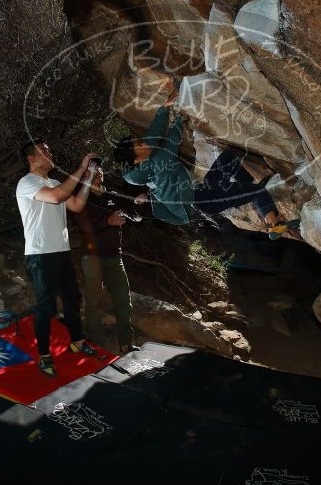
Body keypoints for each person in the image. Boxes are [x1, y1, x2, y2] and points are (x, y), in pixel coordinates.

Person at [112, 91, 299, 239]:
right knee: (256, 191)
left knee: (227, 159)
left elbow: (152, 137)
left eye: (139, 141)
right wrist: (180, 118)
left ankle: (246, 190)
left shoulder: (137, 167)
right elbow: (172, 141)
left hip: (200, 192)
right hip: (202, 201)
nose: (143, 143)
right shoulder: (159, 164)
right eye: (139, 145)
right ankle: (273, 223)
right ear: (136, 159)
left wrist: (165, 107)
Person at [15, 141, 99, 377]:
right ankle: (44, 355)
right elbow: (56, 197)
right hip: (39, 254)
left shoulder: (53, 182)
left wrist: (88, 179)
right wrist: (81, 169)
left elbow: (76, 204)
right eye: (45, 150)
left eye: (50, 149)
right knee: (46, 307)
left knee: (73, 299)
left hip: (62, 252)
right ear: (32, 158)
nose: (50, 152)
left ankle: (78, 342)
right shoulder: (27, 183)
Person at [71, 161, 140, 355]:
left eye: (100, 169)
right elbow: (86, 227)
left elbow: (133, 212)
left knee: (123, 300)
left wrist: (140, 201)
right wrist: (108, 222)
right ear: (85, 175)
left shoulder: (112, 196)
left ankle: (126, 344)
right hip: (91, 257)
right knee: (94, 301)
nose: (98, 172)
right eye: (93, 170)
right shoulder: (81, 197)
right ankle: (96, 345)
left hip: (114, 255)